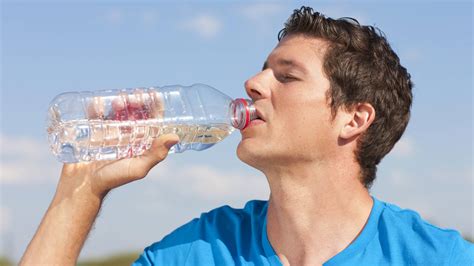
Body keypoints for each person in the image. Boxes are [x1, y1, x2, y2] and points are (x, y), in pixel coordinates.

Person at [20, 6, 473, 266]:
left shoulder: (437, 257)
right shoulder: (199, 252)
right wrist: (82, 192)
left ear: (353, 119)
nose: (253, 84)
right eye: (261, 69)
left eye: (287, 76)